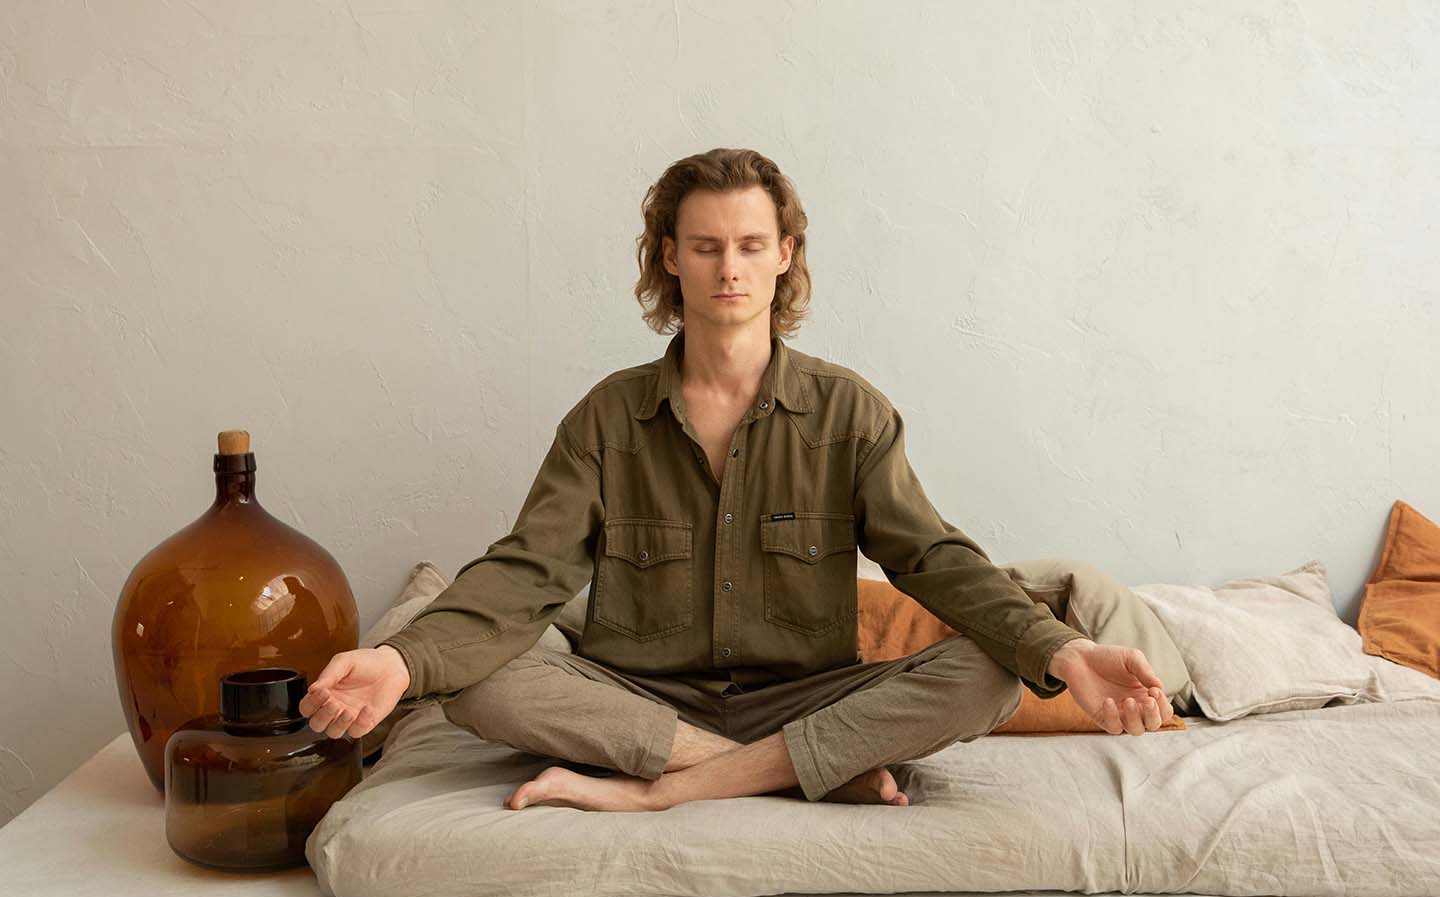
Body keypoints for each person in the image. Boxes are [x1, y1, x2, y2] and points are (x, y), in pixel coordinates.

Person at [299, 147, 1174, 813]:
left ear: (785, 255)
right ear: (670, 257)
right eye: (707, 246)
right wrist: (397, 661)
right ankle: (775, 772)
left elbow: (935, 560)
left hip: (807, 692)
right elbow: (528, 572)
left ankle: (664, 789)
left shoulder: (849, 413)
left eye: (752, 245)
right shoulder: (607, 419)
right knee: (471, 677)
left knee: (992, 673)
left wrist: (1062, 650)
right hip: (641, 698)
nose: (730, 268)